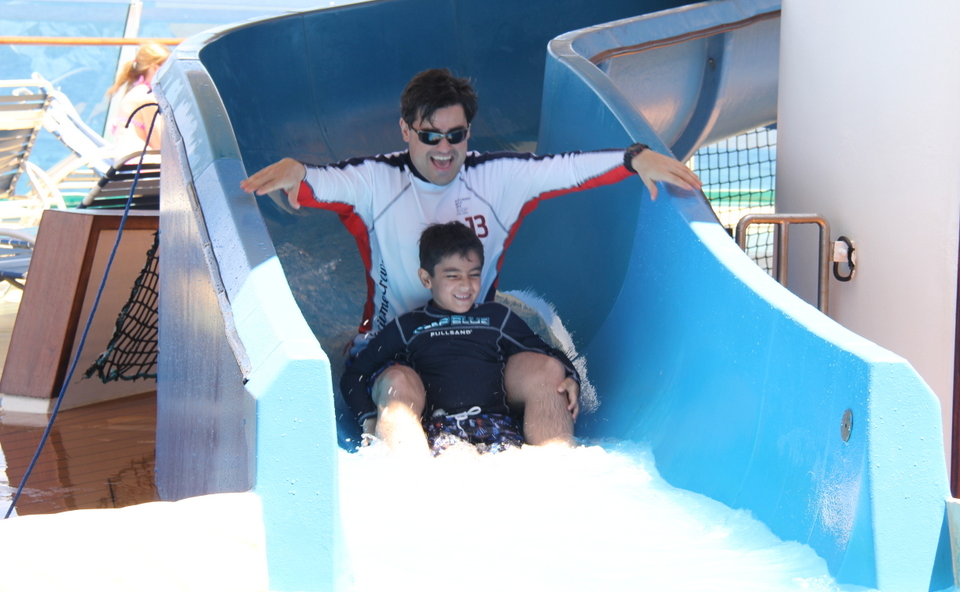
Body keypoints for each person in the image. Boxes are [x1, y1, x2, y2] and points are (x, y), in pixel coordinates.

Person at [240, 68, 702, 446]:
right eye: (429, 136)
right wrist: (297, 172)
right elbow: (320, 182)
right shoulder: (376, 180)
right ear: (405, 130)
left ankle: (558, 487)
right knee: (399, 391)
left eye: (455, 135)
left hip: (479, 348)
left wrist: (634, 158)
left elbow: (565, 168)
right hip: (396, 353)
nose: (444, 149)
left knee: (547, 374)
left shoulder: (496, 177)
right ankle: (411, 495)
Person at [341, 221, 579, 455]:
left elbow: (547, 353)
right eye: (453, 276)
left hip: (496, 427)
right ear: (426, 279)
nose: (466, 285)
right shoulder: (409, 326)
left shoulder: (496, 318)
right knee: (395, 379)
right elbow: (355, 375)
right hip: (439, 432)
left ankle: (558, 458)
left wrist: (572, 378)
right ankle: (408, 470)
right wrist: (368, 419)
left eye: (473, 275)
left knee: (547, 368)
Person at [107, 41, 169, 152]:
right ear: (155, 67)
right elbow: (160, 146)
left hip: (128, 160)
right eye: (168, 69)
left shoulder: (136, 92)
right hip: (140, 161)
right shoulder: (146, 98)